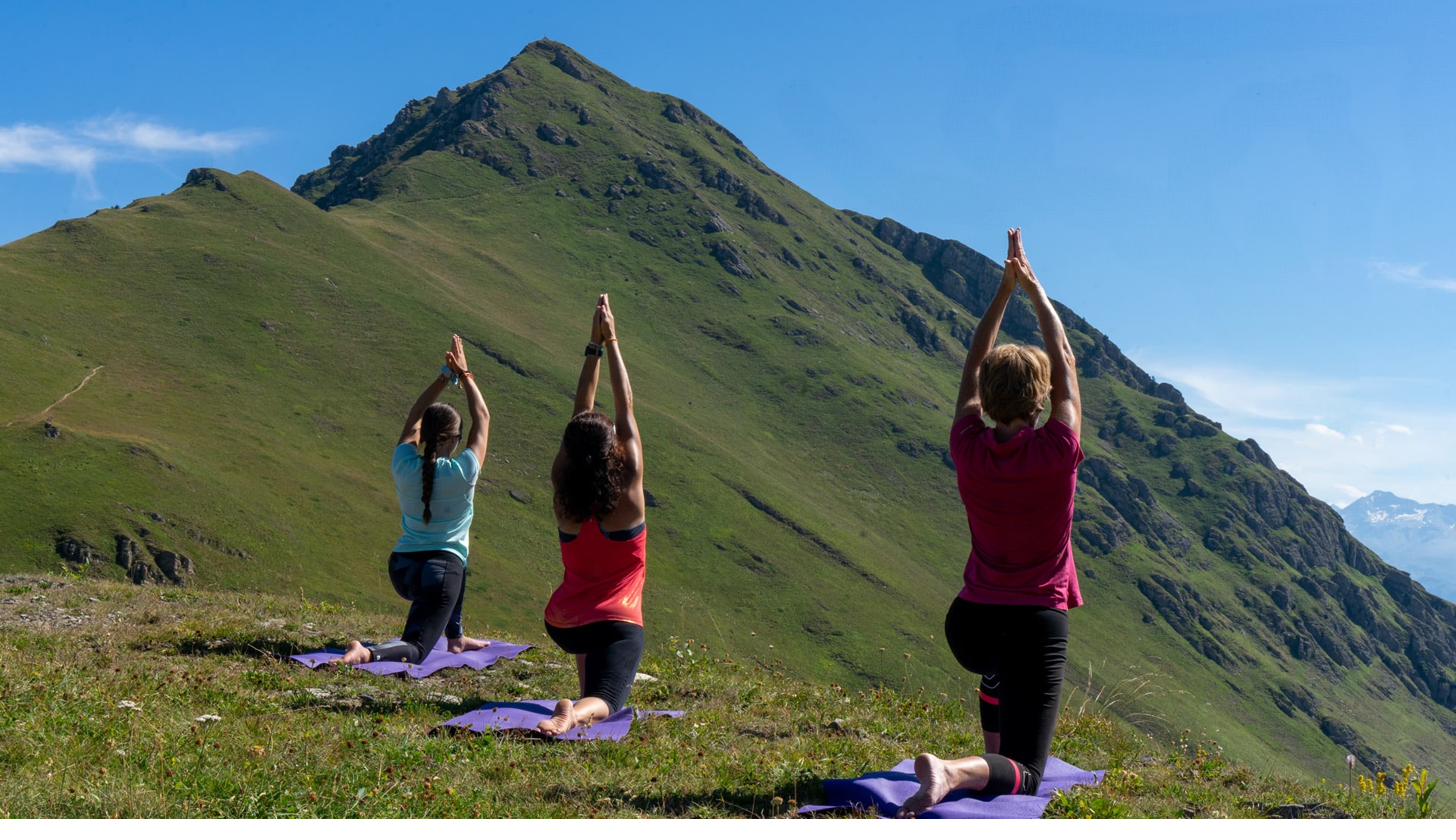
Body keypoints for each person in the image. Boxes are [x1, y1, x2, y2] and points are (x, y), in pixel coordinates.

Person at [899, 229, 1085, 817]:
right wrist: (1035, 290)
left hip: (972, 625)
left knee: (999, 673)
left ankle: (986, 755)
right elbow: (1067, 363)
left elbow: (974, 363)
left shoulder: (967, 446)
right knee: (1031, 771)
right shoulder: (1057, 452)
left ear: (985, 396)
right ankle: (956, 772)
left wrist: (1003, 293)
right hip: (1033, 620)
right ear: (1041, 401)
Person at [337, 335, 493, 666]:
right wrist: (465, 375)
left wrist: (443, 378)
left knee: (459, 555)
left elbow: (414, 415)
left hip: (403, 568)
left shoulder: (403, 463)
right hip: (438, 574)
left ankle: (456, 636)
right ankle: (367, 652)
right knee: (417, 648)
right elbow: (483, 416)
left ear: (422, 435)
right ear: (454, 440)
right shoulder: (464, 471)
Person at [538, 294, 648, 736]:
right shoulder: (629, 490)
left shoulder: (564, 493)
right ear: (613, 453)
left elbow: (579, 416)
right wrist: (612, 338)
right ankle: (578, 712)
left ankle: (581, 696)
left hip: (564, 623)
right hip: (617, 621)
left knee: (591, 638)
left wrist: (592, 347)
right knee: (610, 700)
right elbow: (625, 407)